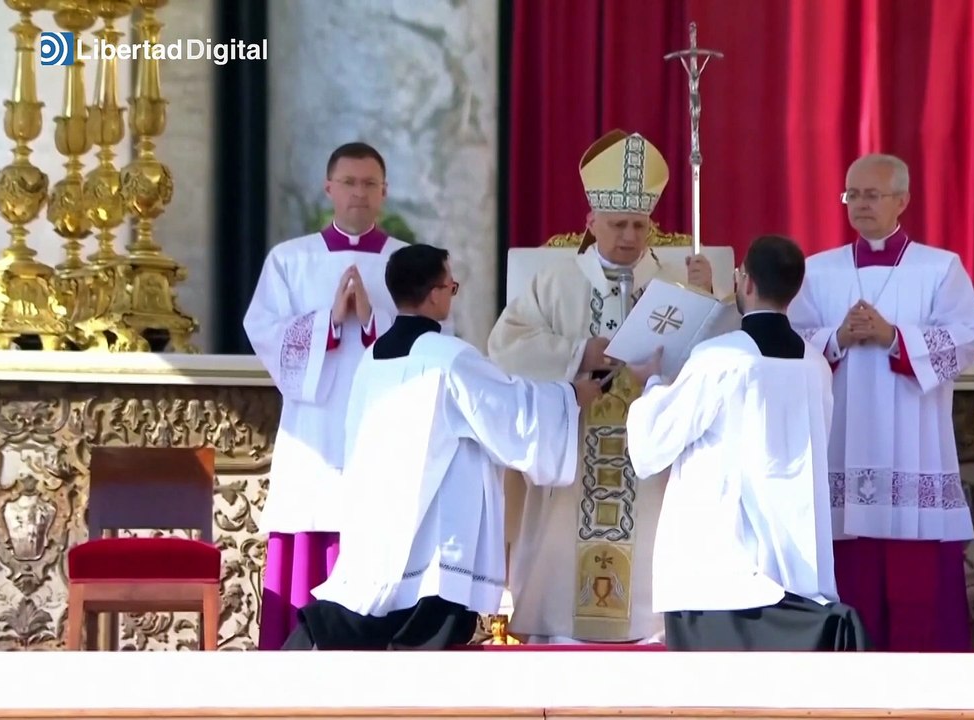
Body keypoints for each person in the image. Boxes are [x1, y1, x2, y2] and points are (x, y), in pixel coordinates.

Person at [280, 244, 603, 650]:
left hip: (379, 515)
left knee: (369, 612)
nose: (452, 293)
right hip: (432, 522)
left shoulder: (373, 356)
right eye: (452, 285)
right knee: (419, 628)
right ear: (435, 293)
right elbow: (509, 412)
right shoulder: (449, 358)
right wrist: (571, 396)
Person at [487, 129, 731, 644]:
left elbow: (719, 364)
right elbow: (506, 345)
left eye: (638, 225)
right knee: (562, 603)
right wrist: (579, 353)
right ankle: (559, 631)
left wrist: (707, 299)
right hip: (575, 455)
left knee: (652, 586)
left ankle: (652, 630)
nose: (628, 236)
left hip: (649, 461)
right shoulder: (554, 282)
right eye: (617, 223)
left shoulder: (677, 286)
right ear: (591, 221)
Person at [625, 235, 866, 652]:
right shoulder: (815, 365)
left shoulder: (721, 360)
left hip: (719, 567)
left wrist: (650, 381)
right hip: (794, 564)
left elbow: (652, 444)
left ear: (745, 282)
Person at [787, 153, 974, 652]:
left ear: (902, 200)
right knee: (850, 585)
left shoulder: (940, 268)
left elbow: (966, 338)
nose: (858, 204)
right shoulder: (818, 271)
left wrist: (895, 337)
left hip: (913, 446)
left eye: (870, 194)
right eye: (851, 194)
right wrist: (836, 338)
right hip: (843, 442)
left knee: (916, 594)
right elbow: (792, 343)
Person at [242, 142, 410, 650]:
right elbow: (263, 330)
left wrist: (375, 319)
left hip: (383, 425)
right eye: (349, 182)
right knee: (312, 521)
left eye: (369, 184)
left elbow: (433, 340)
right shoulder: (290, 260)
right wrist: (330, 322)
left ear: (384, 191)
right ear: (329, 188)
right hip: (314, 427)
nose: (358, 193)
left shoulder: (406, 262)